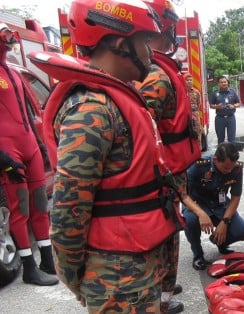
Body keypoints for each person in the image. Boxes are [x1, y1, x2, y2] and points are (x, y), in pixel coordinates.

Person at [33, 0, 181, 311]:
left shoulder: (115, 99)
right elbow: (68, 208)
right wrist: (75, 276)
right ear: (118, 43)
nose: (151, 54)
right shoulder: (91, 110)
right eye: (144, 43)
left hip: (138, 268)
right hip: (116, 279)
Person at [134, 1, 204, 312]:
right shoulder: (158, 76)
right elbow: (143, 125)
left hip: (172, 168)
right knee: (165, 232)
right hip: (163, 173)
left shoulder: (162, 70)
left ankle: (164, 284)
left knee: (170, 230)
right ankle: (162, 298)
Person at [0, 23, 57, 286]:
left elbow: (27, 112)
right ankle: (29, 267)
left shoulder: (12, 72)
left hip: (30, 145)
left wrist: (41, 144)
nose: (9, 39)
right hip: (8, 149)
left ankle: (47, 259)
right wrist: (3, 158)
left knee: (40, 204)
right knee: (20, 208)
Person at [183, 142, 244, 270]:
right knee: (190, 221)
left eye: (231, 168)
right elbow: (184, 195)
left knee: (243, 231)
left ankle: (220, 241)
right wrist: (201, 214)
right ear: (215, 160)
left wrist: (224, 222)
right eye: (225, 168)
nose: (229, 171)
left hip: (220, 205)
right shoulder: (199, 165)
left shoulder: (236, 168)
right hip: (197, 204)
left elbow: (235, 197)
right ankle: (198, 255)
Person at [210, 75, 241, 144]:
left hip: (231, 118)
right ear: (218, 84)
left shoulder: (232, 92)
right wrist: (217, 107)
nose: (224, 83)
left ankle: (231, 154)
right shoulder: (215, 93)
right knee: (220, 139)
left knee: (232, 139)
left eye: (225, 82)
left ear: (227, 82)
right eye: (221, 82)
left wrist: (234, 106)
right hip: (220, 119)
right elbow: (211, 105)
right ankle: (221, 154)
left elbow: (239, 103)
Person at [184, 72, 207, 151]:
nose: (189, 81)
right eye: (187, 80)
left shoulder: (196, 92)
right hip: (185, 116)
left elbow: (198, 104)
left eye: (191, 80)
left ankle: (199, 150)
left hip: (195, 115)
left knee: (197, 133)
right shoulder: (181, 92)